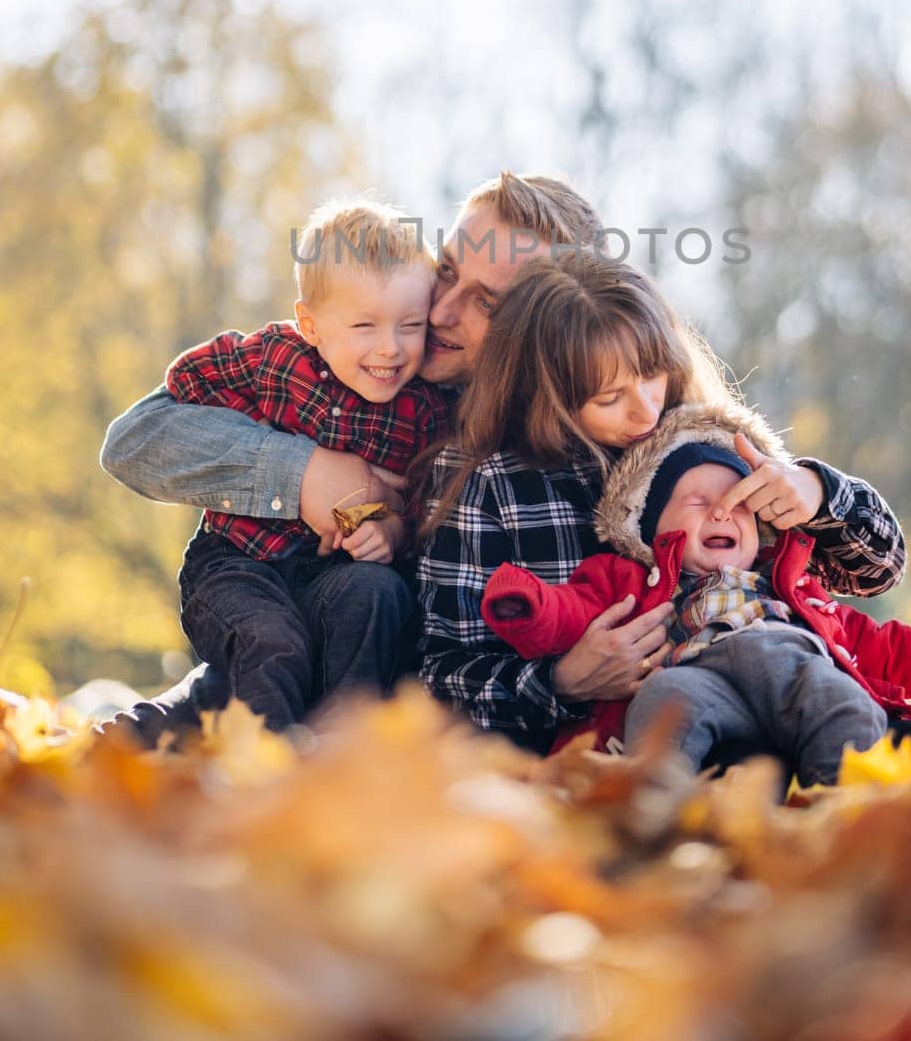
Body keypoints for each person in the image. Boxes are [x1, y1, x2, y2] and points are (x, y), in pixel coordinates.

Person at [100, 172, 613, 737]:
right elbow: (137, 438)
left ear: (547, 327)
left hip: (395, 698)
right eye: (446, 271)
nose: (439, 311)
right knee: (120, 752)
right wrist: (304, 474)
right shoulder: (355, 360)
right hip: (267, 634)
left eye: (486, 302)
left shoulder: (567, 440)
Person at [417, 252, 908, 758]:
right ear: (551, 398)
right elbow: (442, 677)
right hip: (610, 759)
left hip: (780, 717)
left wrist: (818, 493)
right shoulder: (494, 487)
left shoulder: (707, 444)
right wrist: (560, 682)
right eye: (611, 398)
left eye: (653, 376)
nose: (647, 409)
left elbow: (878, 571)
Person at [482, 403, 911, 782]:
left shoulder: (792, 586)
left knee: (826, 692)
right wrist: (524, 604)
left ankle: (850, 797)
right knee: (663, 706)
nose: (722, 511)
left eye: (739, 503)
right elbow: (574, 610)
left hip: (791, 674)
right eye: (697, 501)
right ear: (654, 529)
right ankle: (652, 809)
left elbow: (877, 644)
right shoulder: (630, 580)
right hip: (697, 682)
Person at [164, 199, 451, 730]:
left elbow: (424, 509)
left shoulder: (426, 409)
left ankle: (337, 756)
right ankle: (264, 772)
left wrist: (391, 528)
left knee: (378, 593)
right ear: (311, 324)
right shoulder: (277, 358)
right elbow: (186, 381)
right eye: (365, 325)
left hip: (336, 575)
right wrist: (274, 446)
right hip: (237, 564)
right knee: (273, 642)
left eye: (409, 325)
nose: (389, 348)